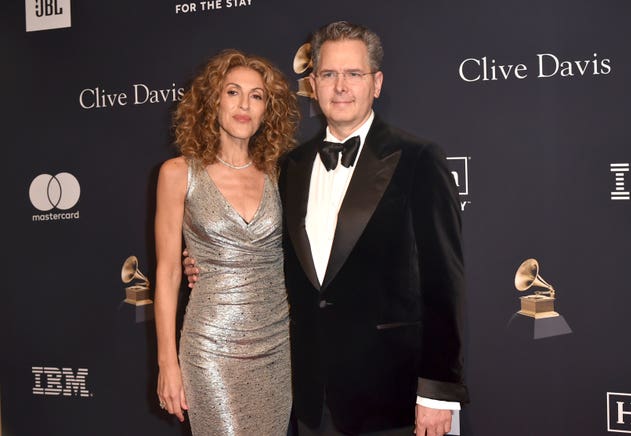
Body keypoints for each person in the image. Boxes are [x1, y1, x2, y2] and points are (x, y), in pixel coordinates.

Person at [185, 21, 468, 436]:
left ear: (376, 83)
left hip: (394, 397)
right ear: (313, 84)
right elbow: (260, 250)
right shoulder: (288, 168)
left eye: (353, 74)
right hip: (309, 397)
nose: (340, 86)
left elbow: (445, 283)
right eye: (329, 74)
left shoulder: (418, 158)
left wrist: (437, 393)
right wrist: (203, 264)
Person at [154, 49, 299, 436]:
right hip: (211, 347)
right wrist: (167, 362)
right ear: (213, 100)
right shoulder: (178, 173)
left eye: (257, 96)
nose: (244, 105)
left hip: (276, 345)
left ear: (268, 109)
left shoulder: (282, 175)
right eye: (233, 92)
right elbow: (168, 272)